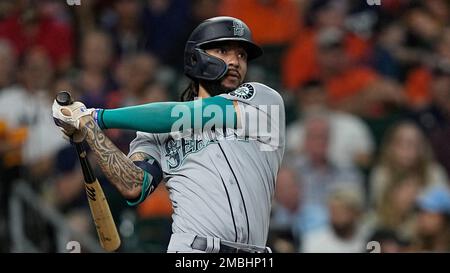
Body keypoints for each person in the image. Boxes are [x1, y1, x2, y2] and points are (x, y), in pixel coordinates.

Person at [52, 16, 285, 253]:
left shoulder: (264, 101)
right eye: (224, 50)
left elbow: (181, 115)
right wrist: (89, 129)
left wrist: (97, 116)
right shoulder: (156, 132)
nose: (236, 61)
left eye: (242, 55)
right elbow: (133, 186)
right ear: (196, 57)